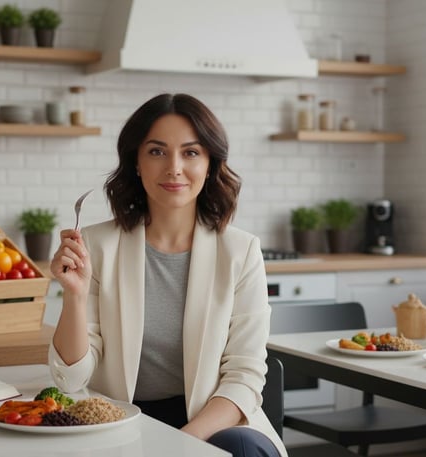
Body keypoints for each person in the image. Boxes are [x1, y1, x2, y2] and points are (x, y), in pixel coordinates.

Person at [49, 93, 286, 457]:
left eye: (191, 152)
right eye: (157, 151)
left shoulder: (241, 251)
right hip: (121, 420)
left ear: (210, 164)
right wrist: (74, 296)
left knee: (244, 447)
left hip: (208, 421)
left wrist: (179, 443)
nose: (174, 167)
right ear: (137, 163)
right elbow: (70, 378)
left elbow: (245, 376)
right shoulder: (96, 245)